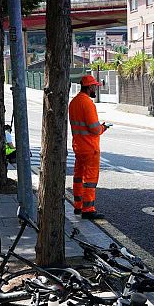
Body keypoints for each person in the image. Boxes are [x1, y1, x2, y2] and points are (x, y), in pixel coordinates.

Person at [68, 75, 110, 220]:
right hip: (90, 148)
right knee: (90, 179)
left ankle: (78, 206)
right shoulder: (88, 103)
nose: (95, 89)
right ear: (89, 87)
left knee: (78, 177)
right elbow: (94, 129)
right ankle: (88, 209)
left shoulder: (73, 102)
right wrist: (103, 127)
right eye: (94, 86)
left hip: (78, 146)